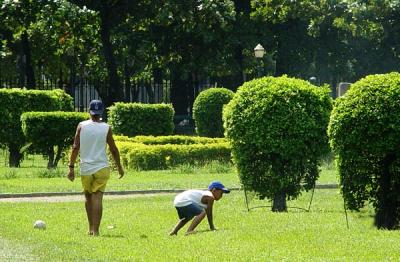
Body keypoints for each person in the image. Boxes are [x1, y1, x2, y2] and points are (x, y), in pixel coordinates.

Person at [67, 99, 124, 236]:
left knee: (88, 197)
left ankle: (90, 228)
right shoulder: (106, 127)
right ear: (101, 112)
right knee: (98, 197)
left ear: (89, 111)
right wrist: (119, 167)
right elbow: (114, 150)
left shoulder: (81, 126)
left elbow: (75, 148)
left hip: (86, 167)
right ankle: (96, 231)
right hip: (102, 167)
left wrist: (71, 167)